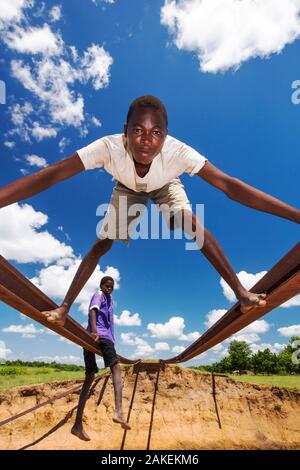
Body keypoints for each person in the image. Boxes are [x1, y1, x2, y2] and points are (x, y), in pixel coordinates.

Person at [0, 96, 299, 326]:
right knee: (102, 243)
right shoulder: (108, 147)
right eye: (138, 131)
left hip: (166, 184)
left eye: (156, 132)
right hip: (127, 189)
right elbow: (53, 173)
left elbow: (230, 186)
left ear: (166, 136)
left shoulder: (179, 153)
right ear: (125, 131)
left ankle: (241, 293)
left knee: (188, 221)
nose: (147, 140)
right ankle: (64, 307)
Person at [71, 275, 130, 441]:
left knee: (90, 376)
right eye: (107, 286)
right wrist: (95, 331)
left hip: (95, 336)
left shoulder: (110, 300)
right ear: (101, 285)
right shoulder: (99, 295)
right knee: (116, 368)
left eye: (112, 287)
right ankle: (119, 411)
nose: (109, 288)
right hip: (101, 336)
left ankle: (77, 425)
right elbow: (92, 311)